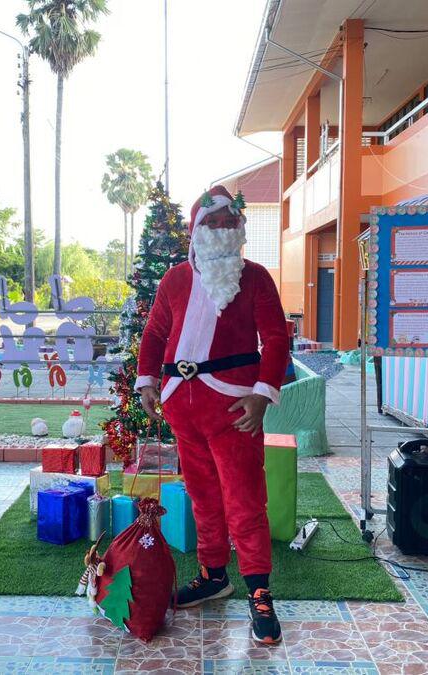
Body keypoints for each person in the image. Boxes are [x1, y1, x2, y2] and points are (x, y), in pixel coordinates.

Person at [135, 185, 289, 644]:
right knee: (202, 498)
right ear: (196, 229)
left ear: (239, 227)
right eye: (212, 221)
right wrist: (147, 380)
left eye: (228, 221)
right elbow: (155, 333)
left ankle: (259, 591)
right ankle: (213, 575)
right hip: (183, 408)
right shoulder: (175, 279)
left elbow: (276, 339)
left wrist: (262, 394)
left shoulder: (256, 277)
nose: (221, 228)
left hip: (234, 410)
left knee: (245, 502)